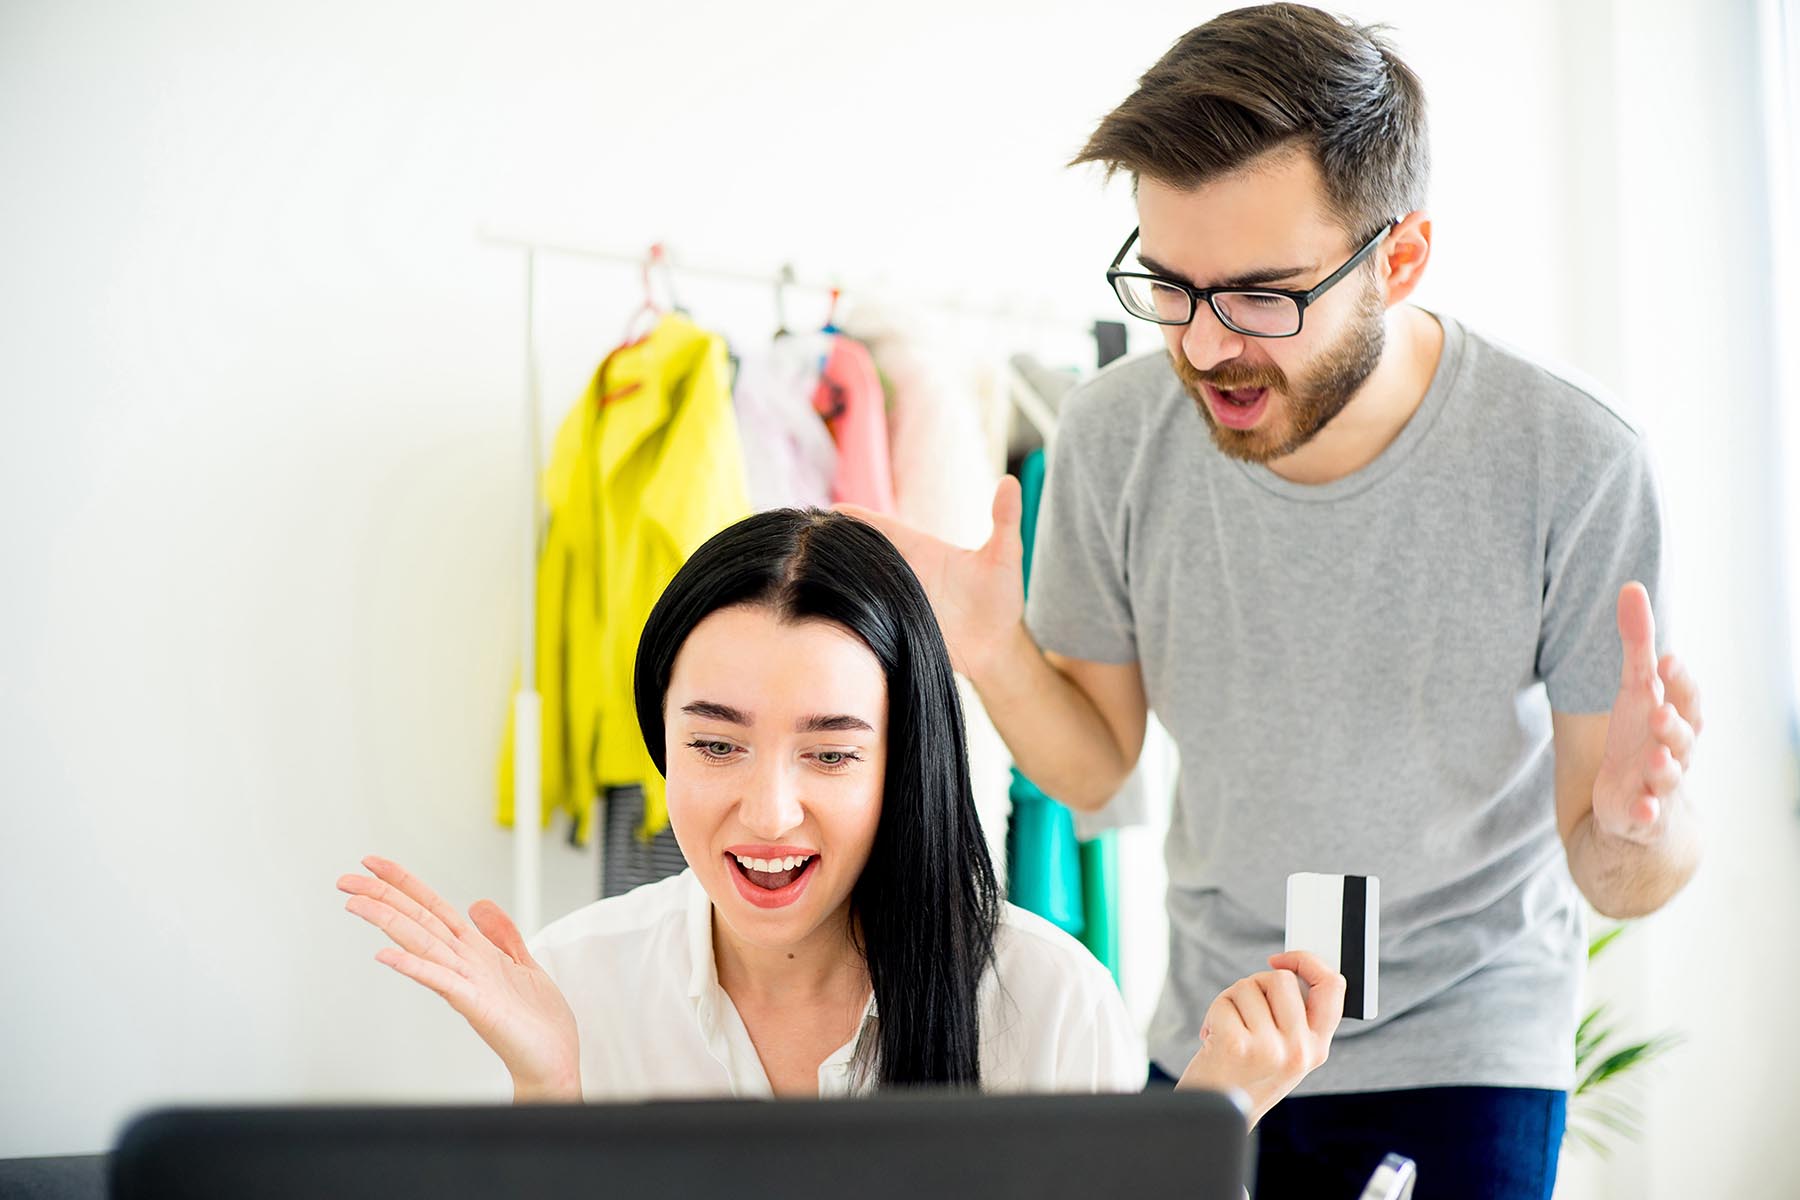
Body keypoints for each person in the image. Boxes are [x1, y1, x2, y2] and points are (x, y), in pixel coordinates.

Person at [842, 6, 1704, 1197]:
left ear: (1397, 260)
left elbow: (1621, 876)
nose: (1204, 347)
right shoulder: (1113, 435)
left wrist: (1640, 821)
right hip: (1217, 1026)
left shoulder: (1574, 459)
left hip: (1467, 1038)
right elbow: (1096, 768)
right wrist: (989, 646)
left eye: (1260, 296)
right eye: (1172, 286)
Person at [340, 508, 1345, 1128]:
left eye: (830, 753)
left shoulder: (1047, 1001)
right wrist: (551, 1089)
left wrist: (1217, 1114)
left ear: (903, 762)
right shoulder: (574, 982)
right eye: (716, 744)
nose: (769, 811)